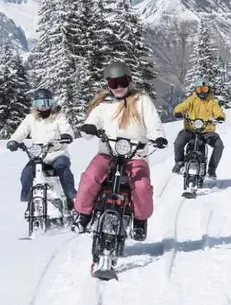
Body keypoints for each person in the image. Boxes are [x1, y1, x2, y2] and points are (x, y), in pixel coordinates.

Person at [71, 61, 168, 240]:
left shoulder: (141, 100)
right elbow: (92, 121)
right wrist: (89, 128)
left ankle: (140, 221)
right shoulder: (103, 104)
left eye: (122, 82)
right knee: (91, 177)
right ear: (108, 85)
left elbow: (153, 122)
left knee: (142, 186)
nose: (119, 87)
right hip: (108, 153)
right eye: (114, 83)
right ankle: (83, 215)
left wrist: (158, 136)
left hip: (136, 154)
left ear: (129, 81)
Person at [6, 87, 77, 212]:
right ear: (35, 104)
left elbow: (66, 128)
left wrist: (66, 135)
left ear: (51, 103)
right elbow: (21, 132)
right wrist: (14, 141)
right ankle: (29, 200)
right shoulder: (31, 118)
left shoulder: (58, 117)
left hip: (57, 153)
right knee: (27, 173)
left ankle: (70, 196)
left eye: (46, 103)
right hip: (39, 155)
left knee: (63, 168)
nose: (43, 106)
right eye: (40, 103)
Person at [171, 77, 226, 178]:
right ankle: (179, 162)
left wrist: (220, 117)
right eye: (199, 89)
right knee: (178, 142)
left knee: (219, 145)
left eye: (204, 89)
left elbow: (218, 111)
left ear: (208, 89)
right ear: (196, 90)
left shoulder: (212, 102)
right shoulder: (192, 99)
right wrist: (178, 112)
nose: (202, 92)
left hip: (206, 131)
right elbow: (182, 106)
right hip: (190, 129)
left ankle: (212, 170)